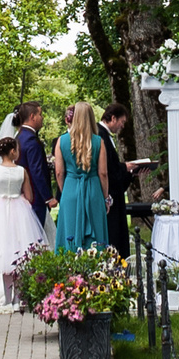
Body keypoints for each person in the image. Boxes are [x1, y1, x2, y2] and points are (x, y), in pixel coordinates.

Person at [0, 134, 45, 310]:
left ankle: (7, 300)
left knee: (4, 254)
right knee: (19, 252)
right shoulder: (22, 171)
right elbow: (29, 197)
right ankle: (18, 299)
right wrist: (17, 197)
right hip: (19, 212)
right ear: (13, 151)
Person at [52, 102, 110, 251]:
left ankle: (69, 270)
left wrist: (65, 191)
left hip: (70, 189)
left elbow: (59, 172)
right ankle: (97, 269)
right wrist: (105, 198)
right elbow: (103, 173)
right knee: (96, 234)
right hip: (93, 190)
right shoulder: (98, 141)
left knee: (68, 232)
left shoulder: (62, 140)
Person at [100, 104, 142, 253]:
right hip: (109, 193)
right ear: (112, 118)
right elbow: (108, 168)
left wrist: (129, 173)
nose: (122, 126)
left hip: (113, 192)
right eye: (122, 122)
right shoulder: (101, 136)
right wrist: (125, 167)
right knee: (114, 233)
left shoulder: (104, 135)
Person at [14, 101, 54, 232]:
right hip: (35, 198)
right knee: (35, 237)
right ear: (32, 116)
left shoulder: (19, 137)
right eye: (40, 114)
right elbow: (37, 172)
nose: (42, 118)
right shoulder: (31, 141)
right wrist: (48, 198)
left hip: (22, 196)